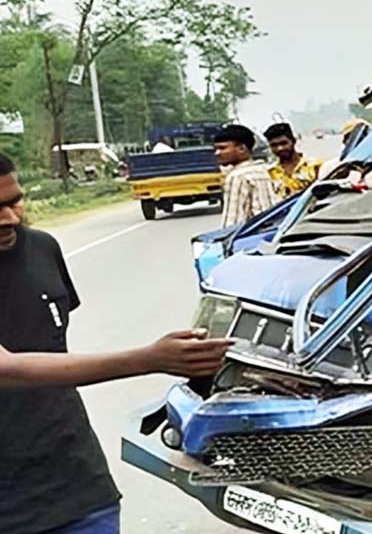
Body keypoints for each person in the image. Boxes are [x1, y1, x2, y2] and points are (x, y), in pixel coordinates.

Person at [0, 151, 230, 534]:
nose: (9, 218)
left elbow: (50, 344)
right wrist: (149, 359)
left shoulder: (42, 248)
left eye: (14, 202)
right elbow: (5, 369)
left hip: (76, 486)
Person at [214, 124, 280, 228]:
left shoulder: (237, 176)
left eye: (222, 148)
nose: (217, 153)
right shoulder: (266, 170)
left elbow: (232, 221)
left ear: (241, 148)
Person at [264, 122, 322, 198]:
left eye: (284, 143)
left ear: (293, 141)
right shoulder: (270, 173)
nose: (280, 148)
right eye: (274, 145)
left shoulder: (315, 166)